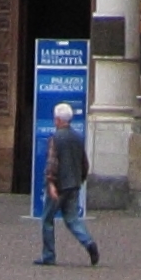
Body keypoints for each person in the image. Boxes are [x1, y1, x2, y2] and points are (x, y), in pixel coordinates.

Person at [34, 102, 96, 267]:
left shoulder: (56, 138)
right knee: (72, 219)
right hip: (74, 184)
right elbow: (84, 163)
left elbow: (52, 162)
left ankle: (49, 255)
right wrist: (80, 179)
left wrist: (51, 183)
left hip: (59, 185)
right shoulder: (77, 137)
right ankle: (88, 242)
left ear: (58, 120)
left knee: (47, 219)